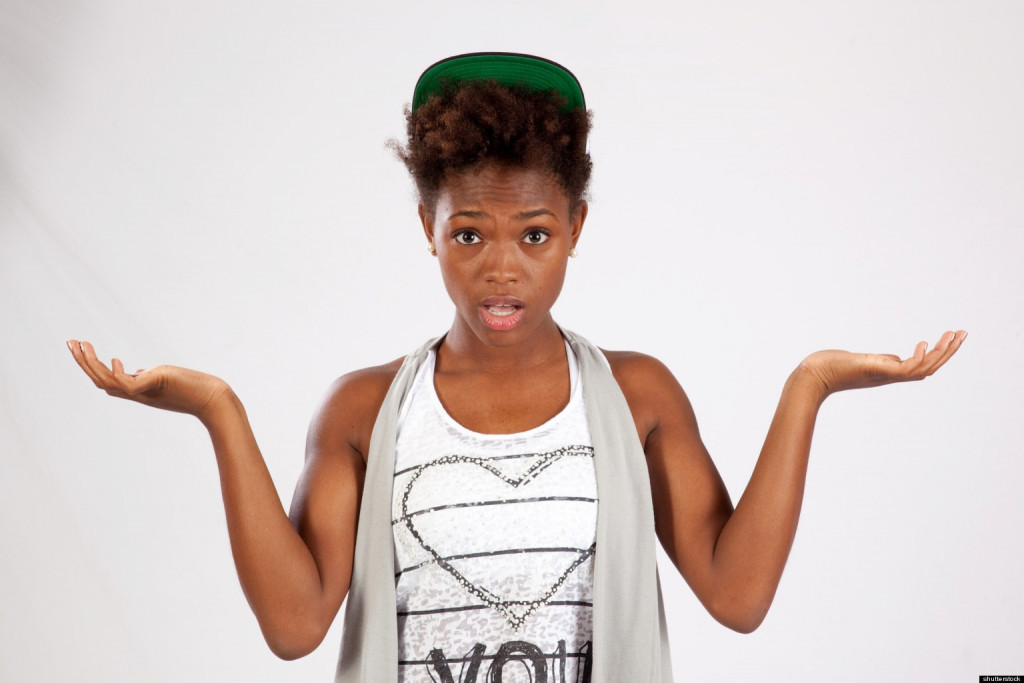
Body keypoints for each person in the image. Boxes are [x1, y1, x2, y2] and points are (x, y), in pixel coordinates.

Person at [66, 53, 966, 683]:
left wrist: (809, 386)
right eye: (469, 234)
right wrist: (219, 410)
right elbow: (296, 626)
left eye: (534, 235)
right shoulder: (367, 409)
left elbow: (738, 595)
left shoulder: (636, 397)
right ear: (428, 228)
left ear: (575, 228)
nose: (502, 268)